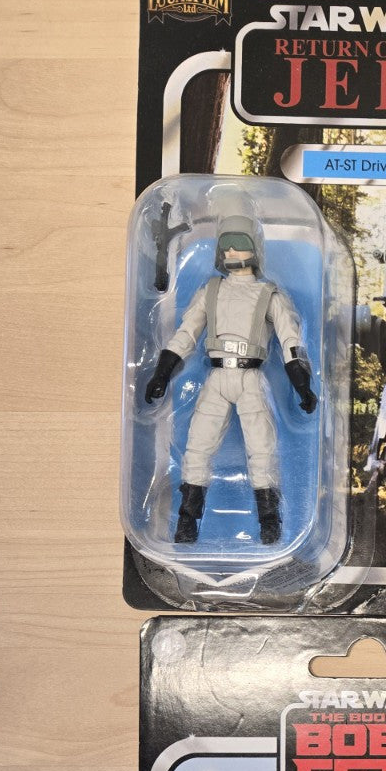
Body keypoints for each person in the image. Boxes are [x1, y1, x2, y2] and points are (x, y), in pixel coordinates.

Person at [144, 212, 318, 546]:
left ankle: (270, 523)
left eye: (239, 245)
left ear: (254, 249)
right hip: (218, 376)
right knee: (197, 448)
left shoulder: (269, 295)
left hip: (251, 378)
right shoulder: (211, 291)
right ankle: (187, 523)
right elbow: (186, 335)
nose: (230, 252)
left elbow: (290, 341)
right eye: (226, 246)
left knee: (262, 450)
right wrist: (162, 373)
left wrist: (302, 385)